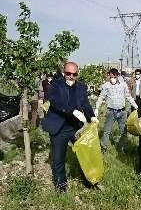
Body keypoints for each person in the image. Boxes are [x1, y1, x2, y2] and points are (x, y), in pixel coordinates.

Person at [41, 62, 98, 192]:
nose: (71, 76)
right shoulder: (56, 85)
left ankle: (89, 179)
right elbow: (55, 102)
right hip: (59, 128)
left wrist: (91, 116)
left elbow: (85, 104)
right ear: (64, 73)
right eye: (68, 73)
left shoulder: (81, 87)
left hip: (75, 127)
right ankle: (61, 185)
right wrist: (73, 111)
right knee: (58, 158)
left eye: (74, 74)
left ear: (77, 74)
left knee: (85, 153)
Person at [95, 68, 138, 152]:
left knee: (123, 132)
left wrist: (135, 106)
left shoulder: (123, 85)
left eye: (114, 77)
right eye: (110, 77)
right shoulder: (106, 86)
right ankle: (104, 147)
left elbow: (128, 96)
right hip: (111, 112)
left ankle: (121, 148)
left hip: (122, 112)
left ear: (117, 76)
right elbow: (101, 97)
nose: (112, 79)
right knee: (107, 131)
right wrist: (97, 107)